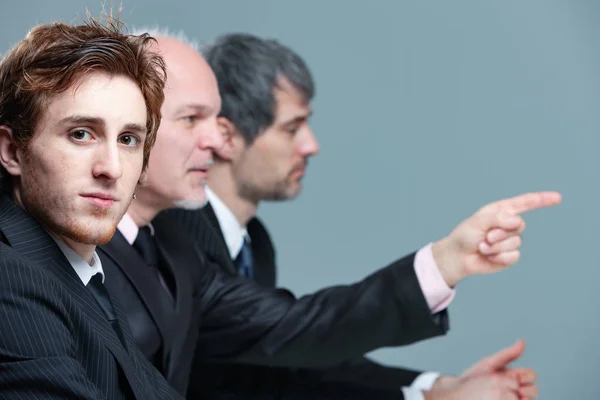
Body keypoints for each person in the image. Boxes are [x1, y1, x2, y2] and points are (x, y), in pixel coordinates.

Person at [111, 29, 556, 399]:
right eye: (292, 127)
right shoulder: (172, 235)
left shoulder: (245, 242)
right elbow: (292, 340)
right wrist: (445, 263)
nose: (311, 145)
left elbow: (288, 352)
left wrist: (433, 389)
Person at [0, 16, 184, 399]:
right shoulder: (11, 276)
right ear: (11, 150)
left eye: (129, 139)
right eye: (81, 134)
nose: (112, 169)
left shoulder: (82, 270)